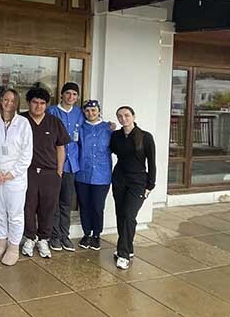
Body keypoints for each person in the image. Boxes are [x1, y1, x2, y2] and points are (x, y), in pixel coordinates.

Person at [22, 86, 71, 259]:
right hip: (27, 172)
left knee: (48, 208)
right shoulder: (21, 121)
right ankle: (30, 237)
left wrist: (59, 172)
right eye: (35, 102)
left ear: (46, 105)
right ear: (28, 103)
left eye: (42, 103)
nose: (38, 106)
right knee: (28, 206)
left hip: (50, 173)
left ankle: (44, 239)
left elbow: (61, 147)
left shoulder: (54, 122)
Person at [0, 88, 33, 266]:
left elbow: (27, 153)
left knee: (15, 214)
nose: (9, 103)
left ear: (17, 103)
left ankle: (13, 247)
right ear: (1, 101)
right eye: (6, 100)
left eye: (13, 101)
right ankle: (1, 243)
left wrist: (12, 173)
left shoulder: (23, 123)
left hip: (16, 177)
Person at [110, 106, 156, 270]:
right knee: (121, 215)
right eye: (120, 116)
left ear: (133, 116)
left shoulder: (145, 137)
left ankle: (122, 254)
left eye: (126, 115)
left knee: (130, 216)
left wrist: (150, 185)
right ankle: (128, 249)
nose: (123, 118)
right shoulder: (116, 136)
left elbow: (152, 163)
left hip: (138, 183)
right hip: (119, 180)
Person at [47, 82, 84, 252]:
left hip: (71, 165)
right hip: (53, 164)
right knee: (52, 202)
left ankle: (64, 235)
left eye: (74, 94)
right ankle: (54, 236)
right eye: (67, 93)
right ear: (61, 95)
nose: (71, 97)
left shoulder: (79, 113)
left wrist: (109, 126)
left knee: (66, 202)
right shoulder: (52, 111)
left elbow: (90, 126)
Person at [76, 100, 113, 251]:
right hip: (82, 173)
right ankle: (86, 233)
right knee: (84, 205)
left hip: (102, 175)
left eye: (93, 110)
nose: (90, 113)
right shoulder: (80, 128)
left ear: (98, 111)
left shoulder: (108, 128)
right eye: (87, 111)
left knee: (97, 206)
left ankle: (96, 234)